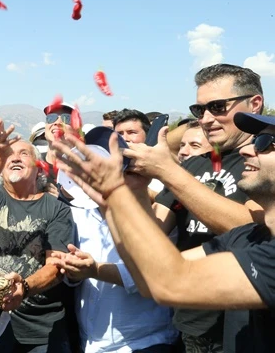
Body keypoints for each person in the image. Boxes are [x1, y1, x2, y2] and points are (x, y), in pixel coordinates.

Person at [51, 110, 275, 352]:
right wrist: (132, 193)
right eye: (253, 141)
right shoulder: (247, 236)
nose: (246, 150)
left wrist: (117, 191)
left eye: (263, 143)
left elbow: (170, 283)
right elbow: (151, 275)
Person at [122, 64, 264, 353]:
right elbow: (153, 232)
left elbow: (254, 230)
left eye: (218, 107)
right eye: (200, 110)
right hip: (193, 323)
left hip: (248, 323)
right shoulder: (193, 165)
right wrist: (134, 190)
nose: (207, 119)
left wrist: (169, 172)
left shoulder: (265, 162)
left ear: (255, 104)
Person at [0, 117, 74, 352]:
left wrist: (24, 286)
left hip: (40, 328)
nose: (14, 158)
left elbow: (56, 266)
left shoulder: (57, 209)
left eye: (24, 154)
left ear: (39, 166)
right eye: (9, 156)